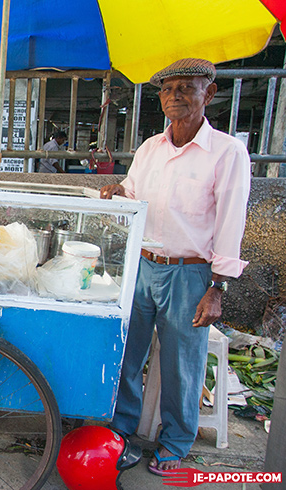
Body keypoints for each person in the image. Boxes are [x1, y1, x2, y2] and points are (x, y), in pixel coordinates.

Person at [100, 59, 250, 476]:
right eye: (167, 89)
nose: (175, 96)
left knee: (183, 363)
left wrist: (218, 287)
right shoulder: (150, 148)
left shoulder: (227, 152)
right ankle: (122, 431)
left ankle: (176, 441)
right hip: (143, 266)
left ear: (210, 94)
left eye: (187, 87)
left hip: (190, 273)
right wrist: (117, 192)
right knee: (127, 354)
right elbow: (133, 194)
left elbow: (230, 222)